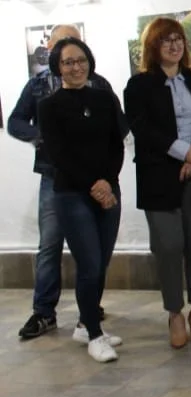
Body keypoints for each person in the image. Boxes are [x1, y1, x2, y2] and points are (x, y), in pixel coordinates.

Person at [8, 24, 112, 340]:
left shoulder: (98, 84)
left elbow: (116, 127)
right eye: (61, 45)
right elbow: (15, 121)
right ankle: (44, 312)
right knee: (50, 245)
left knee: (95, 249)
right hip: (55, 176)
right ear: (51, 50)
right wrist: (44, 137)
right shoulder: (38, 85)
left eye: (75, 43)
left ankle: (88, 314)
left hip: (94, 178)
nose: (71, 56)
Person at [123, 17, 191, 348]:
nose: (175, 45)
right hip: (159, 178)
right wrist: (183, 152)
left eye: (179, 39)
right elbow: (143, 129)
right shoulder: (138, 85)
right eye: (166, 40)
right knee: (168, 247)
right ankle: (175, 313)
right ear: (153, 46)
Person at [38, 38, 128, 363]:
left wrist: (107, 181)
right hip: (72, 194)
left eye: (80, 60)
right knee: (88, 264)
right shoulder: (49, 106)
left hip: (108, 189)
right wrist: (94, 185)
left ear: (89, 62)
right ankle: (94, 334)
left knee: (101, 262)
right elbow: (59, 155)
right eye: (68, 62)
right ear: (58, 68)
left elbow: (117, 144)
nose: (76, 67)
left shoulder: (104, 98)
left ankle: (84, 324)